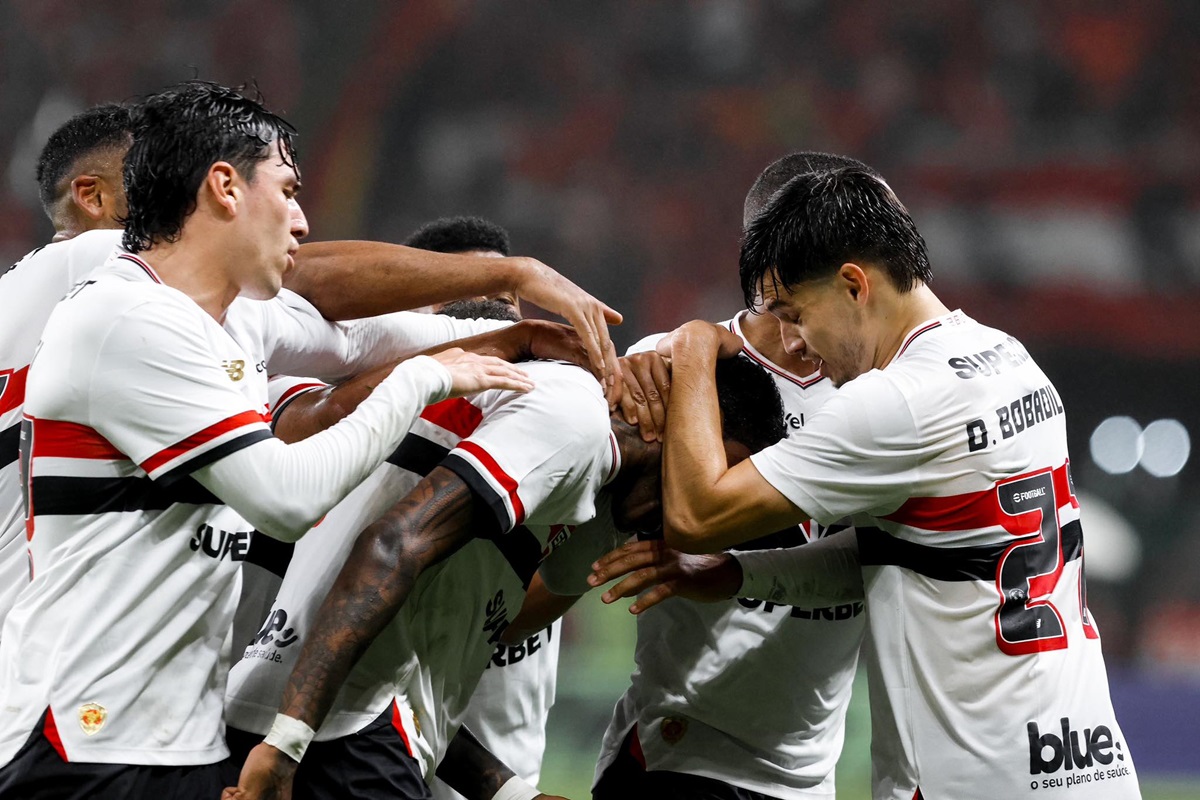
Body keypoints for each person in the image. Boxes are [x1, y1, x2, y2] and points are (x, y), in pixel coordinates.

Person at [0, 81, 534, 798]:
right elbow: (285, 499)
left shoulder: (223, 317)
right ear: (224, 187)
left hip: (180, 738)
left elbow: (363, 338)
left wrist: (526, 337)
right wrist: (426, 375)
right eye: (287, 190)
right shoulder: (114, 305)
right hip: (82, 735)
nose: (304, 222)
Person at [591, 165, 1141, 799]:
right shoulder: (1013, 361)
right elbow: (907, 554)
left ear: (854, 284)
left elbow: (697, 517)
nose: (795, 341)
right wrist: (742, 574)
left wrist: (692, 344)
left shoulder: (897, 401)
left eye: (796, 314)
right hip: (1085, 758)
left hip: (970, 771)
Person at [0, 97, 626, 643]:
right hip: (59, 649)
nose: (180, 195)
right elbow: (311, 283)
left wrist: (517, 339)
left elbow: (347, 339)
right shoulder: (97, 268)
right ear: (92, 197)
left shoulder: (139, 312)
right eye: (154, 176)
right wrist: (510, 276)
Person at [222, 356, 785, 800]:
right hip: (333, 732)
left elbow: (418, 669)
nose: (706, 508)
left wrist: (511, 793)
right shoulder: (575, 421)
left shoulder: (593, 493)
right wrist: (287, 744)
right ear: (681, 423)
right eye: (712, 474)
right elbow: (391, 544)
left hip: (328, 722)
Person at [587, 153, 871, 800]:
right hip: (680, 756)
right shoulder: (667, 366)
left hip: (809, 775)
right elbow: (584, 539)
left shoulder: (890, 386)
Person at [399, 215, 562, 800]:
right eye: (465, 300)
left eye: (504, 299)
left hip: (513, 770)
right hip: (391, 773)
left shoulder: (558, 428)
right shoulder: (379, 441)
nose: (491, 317)